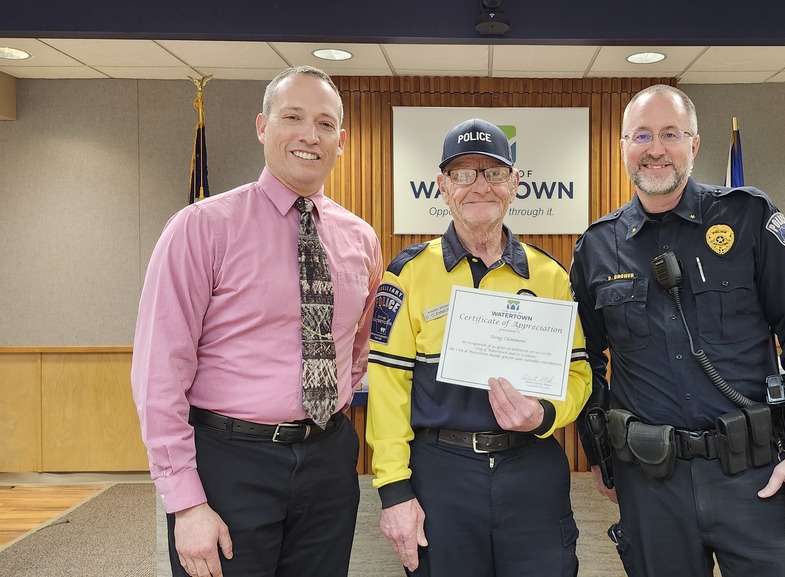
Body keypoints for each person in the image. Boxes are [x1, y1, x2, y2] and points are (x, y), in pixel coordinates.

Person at [570, 84, 785, 577]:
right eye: (642, 135)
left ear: (694, 145)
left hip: (756, 478)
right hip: (652, 485)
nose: (656, 148)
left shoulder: (748, 217)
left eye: (670, 134)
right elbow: (584, 361)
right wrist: (600, 456)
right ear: (623, 147)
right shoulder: (597, 247)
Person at [131, 65, 383, 577]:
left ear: (341, 141)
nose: (309, 135)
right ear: (263, 126)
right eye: (293, 117)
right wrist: (184, 502)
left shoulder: (361, 239)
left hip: (329, 463)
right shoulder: (202, 228)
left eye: (325, 123)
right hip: (228, 464)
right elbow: (160, 372)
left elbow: (356, 349)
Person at [365, 118, 592, 577]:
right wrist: (394, 491)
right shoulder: (408, 272)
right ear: (442, 187)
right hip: (441, 474)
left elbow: (579, 376)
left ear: (515, 184)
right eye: (463, 174)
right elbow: (388, 390)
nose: (480, 186)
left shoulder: (550, 276)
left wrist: (545, 414)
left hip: (531, 467)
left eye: (493, 172)